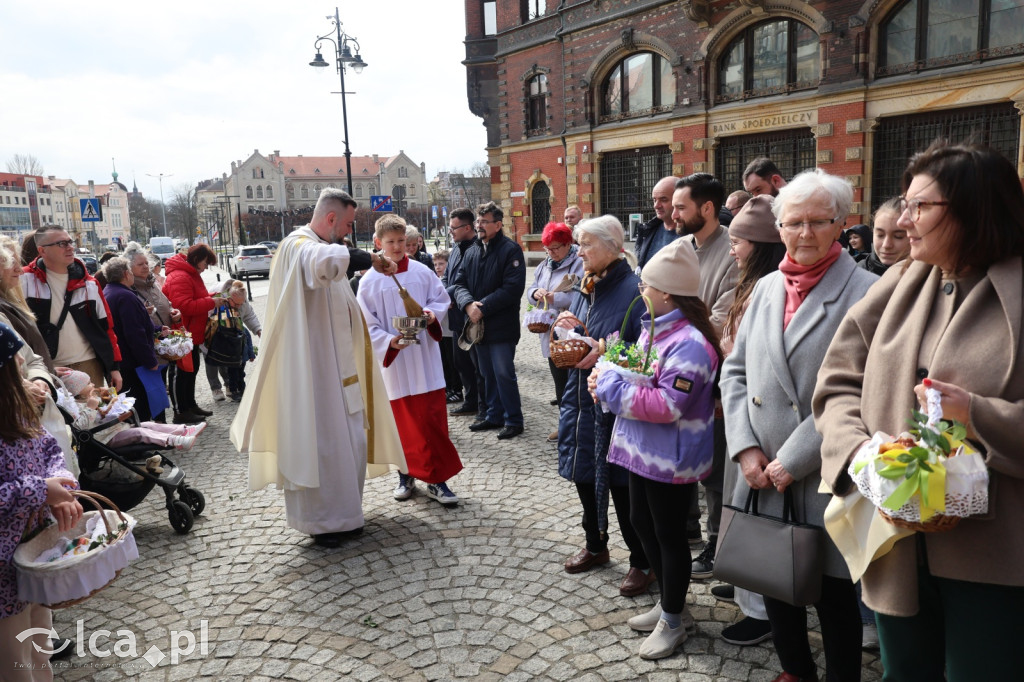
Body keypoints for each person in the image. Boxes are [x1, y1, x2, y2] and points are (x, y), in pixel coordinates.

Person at [814, 141, 1024, 682]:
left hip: (996, 554)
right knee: (903, 672)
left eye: (920, 207)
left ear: (975, 210)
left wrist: (976, 413)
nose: (904, 221)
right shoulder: (901, 280)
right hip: (895, 539)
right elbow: (837, 381)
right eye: (904, 205)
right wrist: (858, 451)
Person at [721, 169, 876, 682]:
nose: (805, 233)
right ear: (779, 227)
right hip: (759, 468)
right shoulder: (766, 286)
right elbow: (736, 371)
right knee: (775, 582)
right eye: (794, 223)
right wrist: (744, 448)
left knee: (833, 597)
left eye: (818, 222)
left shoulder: (867, 292)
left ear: (842, 224)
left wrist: (792, 460)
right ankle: (794, 672)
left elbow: (861, 390)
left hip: (824, 468)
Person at [231, 188, 406, 549]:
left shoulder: (319, 244)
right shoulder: (299, 245)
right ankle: (323, 524)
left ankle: (345, 515)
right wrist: (369, 258)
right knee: (323, 445)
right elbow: (323, 262)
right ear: (330, 219)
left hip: (339, 369)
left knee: (350, 441)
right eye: (346, 224)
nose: (346, 231)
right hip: (314, 374)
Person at [592, 240, 721, 659]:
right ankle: (670, 604)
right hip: (641, 449)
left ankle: (673, 619)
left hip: (670, 456)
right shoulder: (656, 327)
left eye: (646, 284)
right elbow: (641, 377)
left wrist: (609, 385)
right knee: (640, 522)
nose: (640, 290)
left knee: (668, 535)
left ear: (667, 292)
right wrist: (612, 373)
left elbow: (667, 406)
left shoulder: (689, 343)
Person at [554, 215, 653, 597]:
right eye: (578, 245)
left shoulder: (633, 290)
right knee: (583, 477)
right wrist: (573, 328)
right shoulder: (587, 285)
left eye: (586, 245)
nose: (579, 252)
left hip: (616, 405)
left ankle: (642, 561)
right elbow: (588, 334)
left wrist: (601, 350)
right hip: (580, 398)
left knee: (623, 488)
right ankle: (596, 545)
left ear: (612, 247)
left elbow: (647, 354)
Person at [715, 195, 788, 646]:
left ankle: (761, 607)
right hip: (742, 418)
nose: (732, 249)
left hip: (763, 424)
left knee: (758, 515)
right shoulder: (752, 284)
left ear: (759, 245)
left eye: (737, 241)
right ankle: (746, 585)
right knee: (737, 507)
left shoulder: (770, 288)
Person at [357, 214, 463, 506]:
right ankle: (405, 474)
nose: (397, 247)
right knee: (401, 423)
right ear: (378, 243)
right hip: (396, 364)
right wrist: (389, 341)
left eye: (402, 241)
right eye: (390, 242)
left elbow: (440, 299)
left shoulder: (421, 271)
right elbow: (365, 322)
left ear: (410, 241)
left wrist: (430, 315)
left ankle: (437, 480)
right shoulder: (369, 281)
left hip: (425, 359)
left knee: (431, 421)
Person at [0, 321, 82, 679]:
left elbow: (46, 446)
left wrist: (59, 483)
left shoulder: (16, 409)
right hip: (3, 574)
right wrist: (39, 490)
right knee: (14, 661)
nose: (22, 365)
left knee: (40, 649)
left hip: (34, 555)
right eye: (13, 362)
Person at [671, 172, 739, 574]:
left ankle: (719, 545)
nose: (673, 214)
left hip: (713, 379)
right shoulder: (679, 246)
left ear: (707, 209)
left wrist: (672, 336)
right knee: (683, 459)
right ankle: (690, 532)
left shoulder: (731, 251)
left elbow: (719, 323)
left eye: (682, 207)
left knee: (714, 468)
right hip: (675, 375)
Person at [450, 201, 527, 440]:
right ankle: (493, 415)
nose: (480, 226)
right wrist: (467, 304)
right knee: (486, 373)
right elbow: (459, 283)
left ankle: (513, 420)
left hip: (501, 326)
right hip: (478, 326)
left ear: (497, 224)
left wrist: (482, 307)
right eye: (478, 222)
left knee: (503, 373)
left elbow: (513, 289)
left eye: (484, 222)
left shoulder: (510, 250)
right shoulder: (472, 250)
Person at [20, 226, 123, 391]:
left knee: (94, 413)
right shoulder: (24, 280)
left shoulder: (89, 283)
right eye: (61, 243)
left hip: (88, 364)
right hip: (48, 368)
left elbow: (106, 328)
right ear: (42, 251)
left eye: (70, 241)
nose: (69, 247)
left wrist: (114, 367)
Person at [526, 221, 585, 442]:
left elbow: (580, 296)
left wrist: (554, 298)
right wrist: (536, 293)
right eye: (547, 248)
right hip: (550, 333)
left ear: (568, 244)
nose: (551, 253)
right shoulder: (545, 265)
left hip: (572, 333)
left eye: (556, 248)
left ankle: (578, 426)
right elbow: (531, 289)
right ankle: (565, 425)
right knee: (559, 382)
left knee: (575, 383)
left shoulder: (578, 263)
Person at [60, 369, 203, 451]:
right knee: (140, 432)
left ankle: (184, 430)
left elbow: (108, 408)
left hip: (117, 428)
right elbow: (80, 426)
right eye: (88, 383)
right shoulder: (76, 406)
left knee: (148, 424)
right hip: (104, 438)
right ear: (78, 389)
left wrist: (110, 395)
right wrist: (91, 408)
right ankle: (175, 440)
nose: (92, 384)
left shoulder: (92, 398)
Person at [100, 257, 166, 422]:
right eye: (130, 271)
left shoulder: (109, 291)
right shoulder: (125, 296)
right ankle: (143, 442)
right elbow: (134, 334)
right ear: (125, 274)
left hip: (124, 361)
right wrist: (150, 361)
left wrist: (156, 329)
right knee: (139, 405)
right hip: (133, 363)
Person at [162, 244, 220, 424]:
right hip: (180, 333)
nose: (206, 267)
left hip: (190, 333)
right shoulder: (181, 276)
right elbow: (185, 305)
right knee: (181, 372)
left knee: (191, 370)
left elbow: (195, 298)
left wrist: (214, 296)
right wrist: (212, 302)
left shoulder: (188, 274)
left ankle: (190, 405)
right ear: (196, 259)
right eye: (205, 262)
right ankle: (181, 411)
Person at [444, 208, 482, 419]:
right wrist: (441, 292)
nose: (451, 232)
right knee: (460, 362)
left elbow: (462, 282)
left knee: (473, 363)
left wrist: (444, 297)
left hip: (469, 314)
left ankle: (477, 401)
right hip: (455, 316)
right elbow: (448, 277)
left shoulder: (476, 249)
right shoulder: (456, 248)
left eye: (453, 228)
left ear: (467, 228)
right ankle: (471, 400)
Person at [206, 280, 262, 402]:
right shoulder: (218, 297)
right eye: (236, 304)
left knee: (231, 365)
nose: (239, 307)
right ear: (229, 298)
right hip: (214, 334)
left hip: (232, 335)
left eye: (241, 304)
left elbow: (249, 315)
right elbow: (206, 316)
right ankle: (216, 388)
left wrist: (258, 330)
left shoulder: (241, 300)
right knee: (212, 360)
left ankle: (231, 387)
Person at [431, 250, 463, 404]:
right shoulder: (434, 281)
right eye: (435, 264)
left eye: (441, 264)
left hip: (451, 329)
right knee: (444, 360)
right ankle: (448, 388)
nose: (438, 267)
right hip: (440, 329)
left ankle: (457, 389)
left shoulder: (450, 281)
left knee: (453, 361)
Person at [634, 176, 680, 270]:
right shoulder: (646, 231)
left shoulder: (694, 236)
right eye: (654, 200)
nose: (656, 206)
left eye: (663, 200)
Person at [858, 197, 909, 276]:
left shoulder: (928, 277)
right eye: (880, 235)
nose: (886, 245)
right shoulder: (856, 275)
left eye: (898, 236)